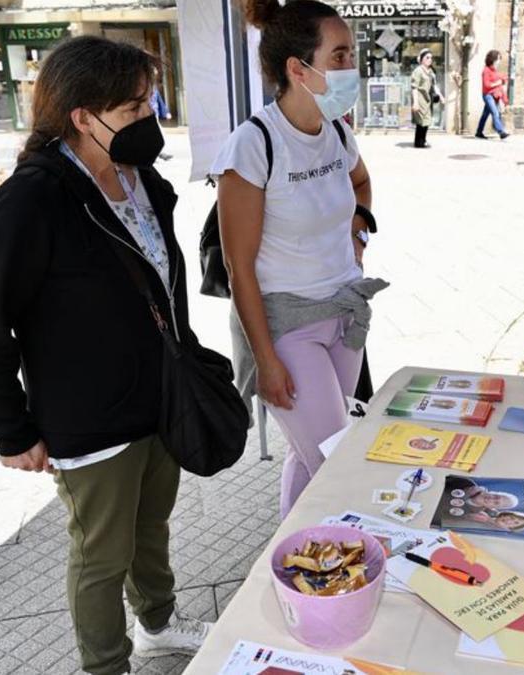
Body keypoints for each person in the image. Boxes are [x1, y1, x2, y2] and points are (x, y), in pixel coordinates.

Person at [0, 36, 209, 675]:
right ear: (82, 117)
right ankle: (105, 666)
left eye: (149, 103)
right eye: (133, 108)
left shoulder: (142, 180)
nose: (148, 119)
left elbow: (160, 282)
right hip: (89, 417)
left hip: (159, 399)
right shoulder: (31, 200)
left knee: (151, 528)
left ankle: (157, 624)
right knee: (102, 555)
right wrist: (11, 429)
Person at [213, 0, 388, 519]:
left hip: (345, 313)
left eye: (351, 54)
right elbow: (238, 268)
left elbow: (361, 181)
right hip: (289, 323)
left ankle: (285, 561)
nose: (351, 67)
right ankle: (329, 566)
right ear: (297, 69)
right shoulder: (255, 144)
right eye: (339, 56)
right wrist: (266, 361)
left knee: (311, 452)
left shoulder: (336, 130)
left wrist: (357, 234)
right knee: (336, 461)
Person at [410, 49, 444, 148]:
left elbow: (434, 85)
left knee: (427, 120)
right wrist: (415, 102)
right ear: (421, 59)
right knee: (421, 120)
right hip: (420, 98)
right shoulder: (418, 71)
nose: (430, 60)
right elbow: (414, 87)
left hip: (428, 99)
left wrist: (441, 96)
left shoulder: (430, 72)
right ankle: (418, 141)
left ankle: (423, 139)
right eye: (427, 57)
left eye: (431, 58)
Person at [475, 49, 510, 140]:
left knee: (485, 115)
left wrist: (504, 99)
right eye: (498, 59)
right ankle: (500, 132)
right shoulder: (486, 71)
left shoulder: (494, 71)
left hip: (495, 96)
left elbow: (500, 86)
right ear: (493, 59)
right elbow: (487, 85)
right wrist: (499, 82)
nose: (499, 62)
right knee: (495, 112)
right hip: (488, 95)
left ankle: (479, 132)